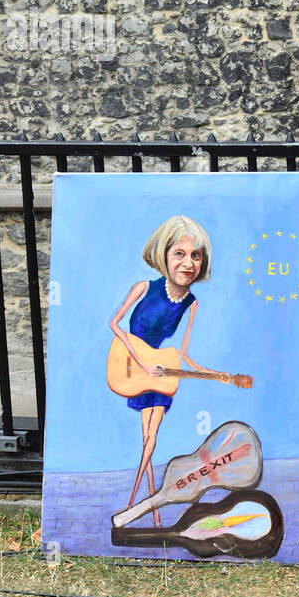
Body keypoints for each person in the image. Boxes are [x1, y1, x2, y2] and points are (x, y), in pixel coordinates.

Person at [107, 215, 220, 525]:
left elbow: (183, 353)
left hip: (161, 371)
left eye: (195, 255)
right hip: (135, 366)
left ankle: (144, 513)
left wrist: (213, 373)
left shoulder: (190, 302)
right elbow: (115, 324)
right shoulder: (144, 287)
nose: (188, 262)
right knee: (148, 441)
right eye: (179, 254)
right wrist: (142, 362)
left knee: (151, 440)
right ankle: (141, 509)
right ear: (164, 256)